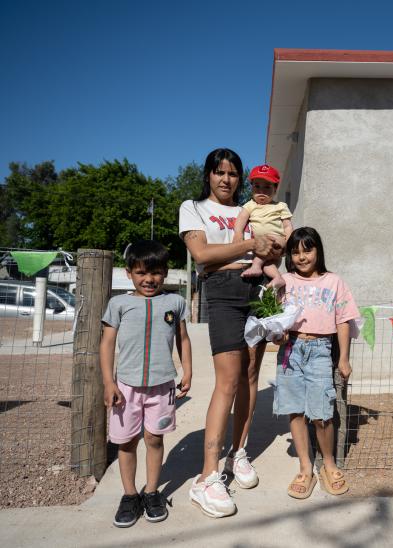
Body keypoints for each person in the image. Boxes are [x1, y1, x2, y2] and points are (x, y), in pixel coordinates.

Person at [178, 148, 279, 518]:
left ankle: (238, 452)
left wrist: (273, 249)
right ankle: (207, 477)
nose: (226, 179)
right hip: (221, 288)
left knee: (251, 375)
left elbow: (274, 249)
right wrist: (252, 244)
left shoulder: (250, 209)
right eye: (219, 172)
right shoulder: (193, 207)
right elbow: (202, 254)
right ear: (208, 174)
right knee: (228, 380)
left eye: (233, 173)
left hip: (258, 289)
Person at [100, 240, 192, 528]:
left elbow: (183, 338)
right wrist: (109, 382)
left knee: (154, 439)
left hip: (161, 387)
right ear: (129, 273)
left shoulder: (175, 303)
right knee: (127, 441)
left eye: (155, 272)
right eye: (141, 272)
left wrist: (187, 370)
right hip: (126, 388)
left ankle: (151, 492)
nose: (148, 279)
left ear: (165, 272)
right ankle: (130, 495)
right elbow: (107, 344)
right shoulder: (118, 304)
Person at [273, 227, 359, 498]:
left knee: (322, 413)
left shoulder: (334, 282)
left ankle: (329, 465)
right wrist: (277, 334)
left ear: (318, 250)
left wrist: (343, 358)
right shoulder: (284, 281)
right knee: (295, 411)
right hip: (291, 351)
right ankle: (305, 468)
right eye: (295, 252)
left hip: (322, 350)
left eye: (307, 250)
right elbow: (275, 318)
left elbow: (343, 320)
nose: (301, 257)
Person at [232, 164, 293, 289]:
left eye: (267, 187)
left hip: (277, 241)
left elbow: (287, 226)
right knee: (267, 265)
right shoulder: (250, 205)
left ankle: (255, 266)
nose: (262, 191)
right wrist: (238, 234)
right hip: (261, 247)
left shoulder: (280, 206)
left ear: (275, 189)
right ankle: (278, 278)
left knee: (261, 255)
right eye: (257, 186)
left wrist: (289, 242)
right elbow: (241, 220)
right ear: (252, 188)